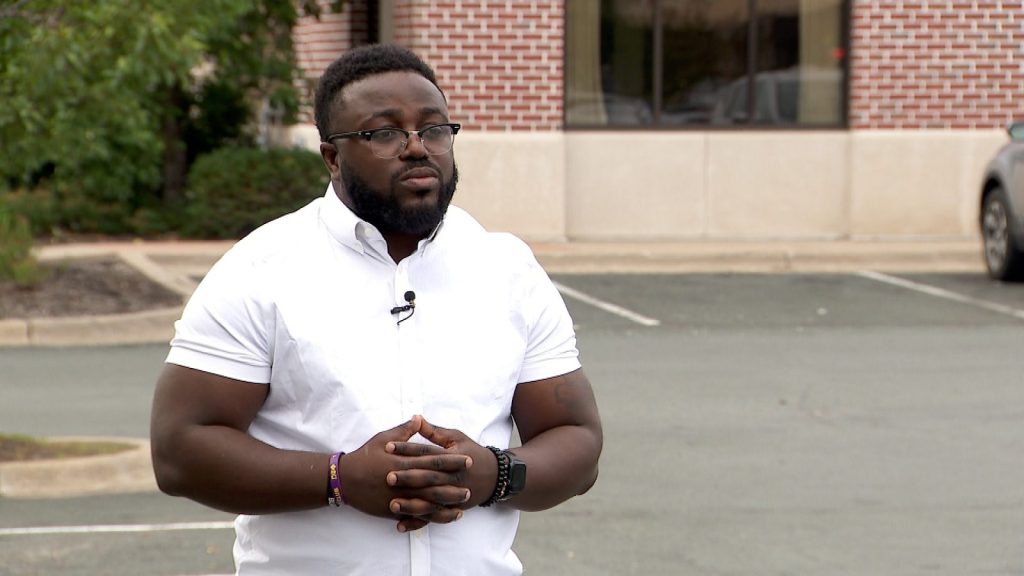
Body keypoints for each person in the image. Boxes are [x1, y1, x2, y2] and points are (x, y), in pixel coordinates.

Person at [150, 43, 602, 575]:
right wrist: (338, 480)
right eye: (384, 133)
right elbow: (180, 450)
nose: (417, 148)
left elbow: (578, 443)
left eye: (434, 129)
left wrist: (494, 476)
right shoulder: (261, 270)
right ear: (332, 157)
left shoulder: (507, 269)